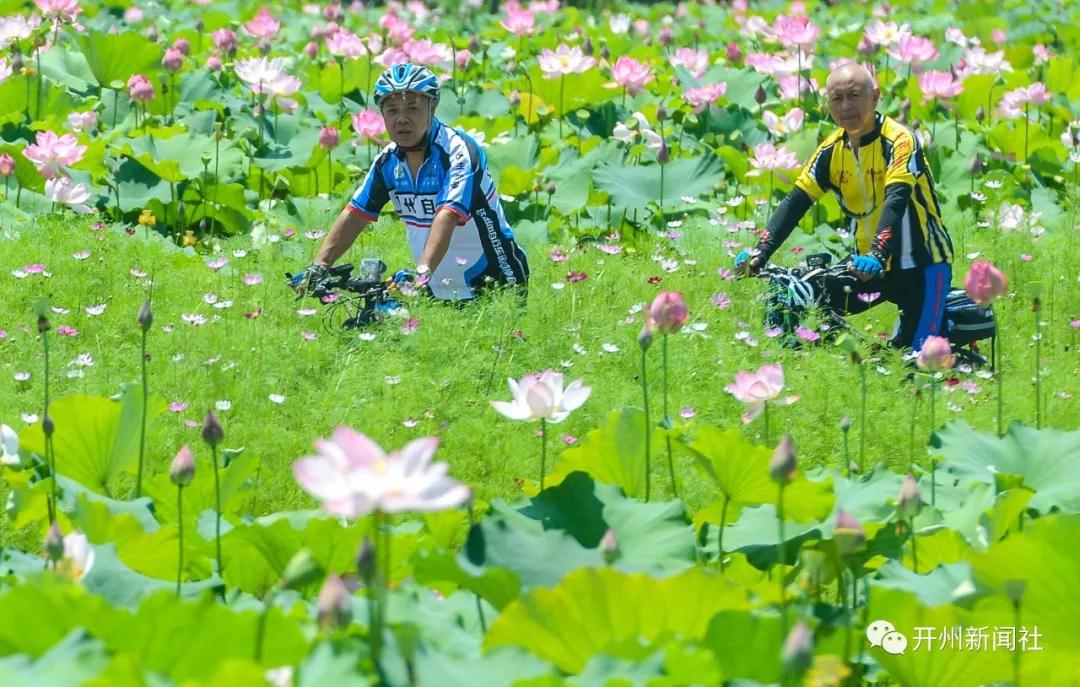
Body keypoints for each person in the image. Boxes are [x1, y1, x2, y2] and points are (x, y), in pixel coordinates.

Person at [736, 62, 954, 352]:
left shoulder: (900, 140)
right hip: (868, 265)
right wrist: (759, 253)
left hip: (923, 264)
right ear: (827, 104)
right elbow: (795, 202)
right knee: (806, 293)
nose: (846, 106)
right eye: (837, 99)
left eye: (854, 96)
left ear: (875, 97)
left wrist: (878, 252)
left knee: (921, 361)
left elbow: (897, 198)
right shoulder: (831, 149)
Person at [300, 63, 530, 302]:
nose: (402, 119)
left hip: (494, 283)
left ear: (433, 107)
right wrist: (319, 266)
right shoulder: (387, 161)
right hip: (434, 287)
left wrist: (422, 272)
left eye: (412, 108)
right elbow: (356, 213)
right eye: (392, 111)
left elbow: (447, 215)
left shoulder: (458, 151)